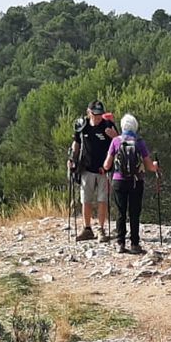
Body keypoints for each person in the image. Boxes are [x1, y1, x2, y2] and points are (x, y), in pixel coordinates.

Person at [103, 114, 161, 255]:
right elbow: (148, 166)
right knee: (134, 213)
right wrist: (155, 165)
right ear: (135, 127)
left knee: (121, 212)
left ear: (122, 127)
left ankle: (120, 243)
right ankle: (135, 244)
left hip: (119, 181)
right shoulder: (139, 142)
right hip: (136, 181)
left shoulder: (116, 141)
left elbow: (106, 165)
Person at [69, 101, 119, 241]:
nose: (98, 118)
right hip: (86, 168)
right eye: (95, 114)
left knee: (102, 200)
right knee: (86, 200)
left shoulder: (108, 125)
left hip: (104, 169)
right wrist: (72, 158)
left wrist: (115, 136)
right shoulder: (82, 125)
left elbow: (118, 145)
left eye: (100, 115)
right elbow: (76, 143)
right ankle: (87, 228)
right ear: (89, 112)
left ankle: (101, 229)